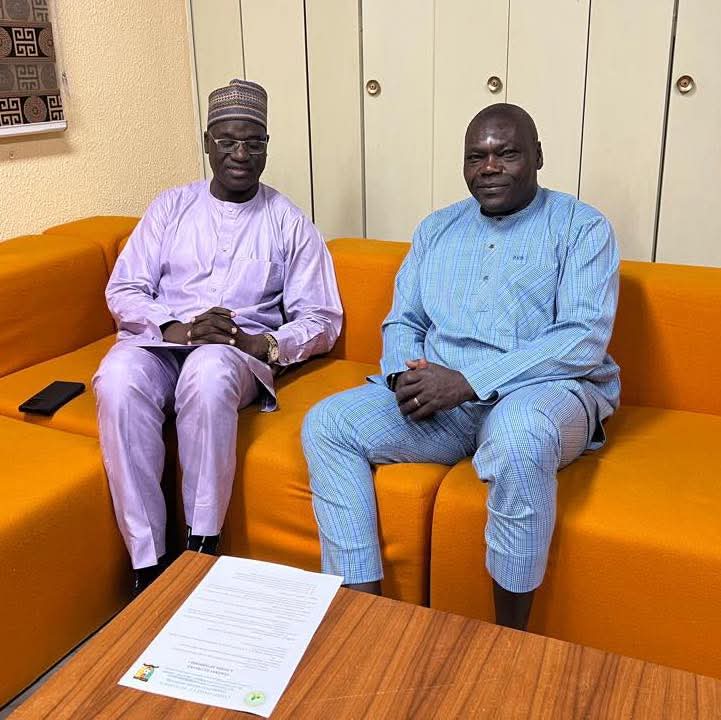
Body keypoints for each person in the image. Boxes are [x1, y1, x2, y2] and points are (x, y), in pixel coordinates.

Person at [301, 103, 620, 630]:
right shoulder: (436, 229)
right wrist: (404, 377)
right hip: (445, 399)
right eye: (476, 156)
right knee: (328, 424)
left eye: (506, 153)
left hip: (545, 390)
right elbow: (403, 320)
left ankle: (508, 637)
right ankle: (363, 617)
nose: (489, 167)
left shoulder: (581, 227)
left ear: (538, 156)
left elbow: (581, 338)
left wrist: (471, 381)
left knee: (519, 438)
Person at [94, 79, 342, 595]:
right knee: (117, 377)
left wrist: (263, 344)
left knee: (208, 371)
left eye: (253, 143)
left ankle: (201, 546)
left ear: (267, 147)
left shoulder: (288, 222)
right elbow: (125, 287)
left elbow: (321, 317)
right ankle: (147, 560)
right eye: (227, 141)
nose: (240, 155)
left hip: (233, 356)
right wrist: (177, 328)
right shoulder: (170, 208)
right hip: (163, 341)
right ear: (208, 142)